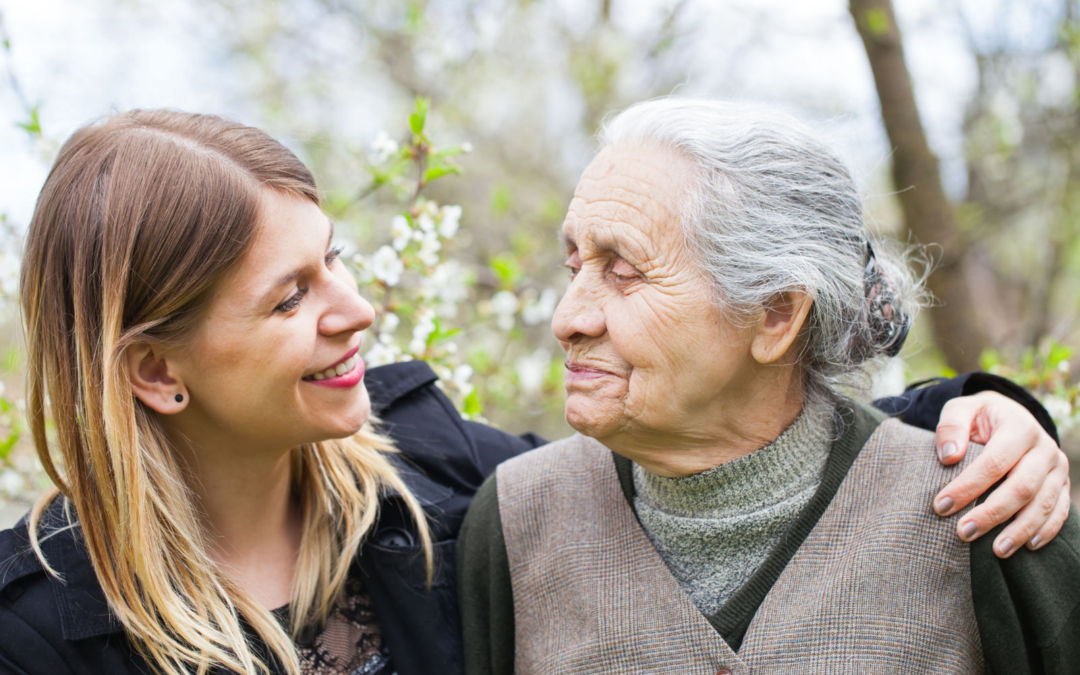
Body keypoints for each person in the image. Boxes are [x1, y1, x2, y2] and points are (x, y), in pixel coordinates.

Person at [0, 109, 1067, 675]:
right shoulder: (40, 632)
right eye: (290, 299)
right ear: (153, 370)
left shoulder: (441, 482)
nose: (357, 311)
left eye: (335, 260)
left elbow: (738, 451)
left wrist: (976, 417)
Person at [457, 99, 1080, 674]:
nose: (568, 318)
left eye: (624, 273)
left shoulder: (992, 508)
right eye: (574, 266)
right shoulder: (515, 522)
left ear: (776, 314)